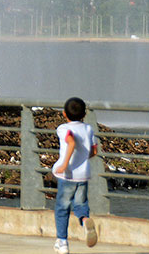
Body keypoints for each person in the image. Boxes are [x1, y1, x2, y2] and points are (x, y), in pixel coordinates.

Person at [51, 96, 99, 253]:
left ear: (64, 114)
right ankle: (85, 221)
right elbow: (94, 151)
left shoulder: (63, 129)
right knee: (80, 205)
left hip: (68, 175)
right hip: (83, 174)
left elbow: (71, 142)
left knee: (62, 208)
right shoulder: (88, 129)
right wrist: (82, 159)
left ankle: (62, 242)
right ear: (84, 114)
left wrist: (64, 164)